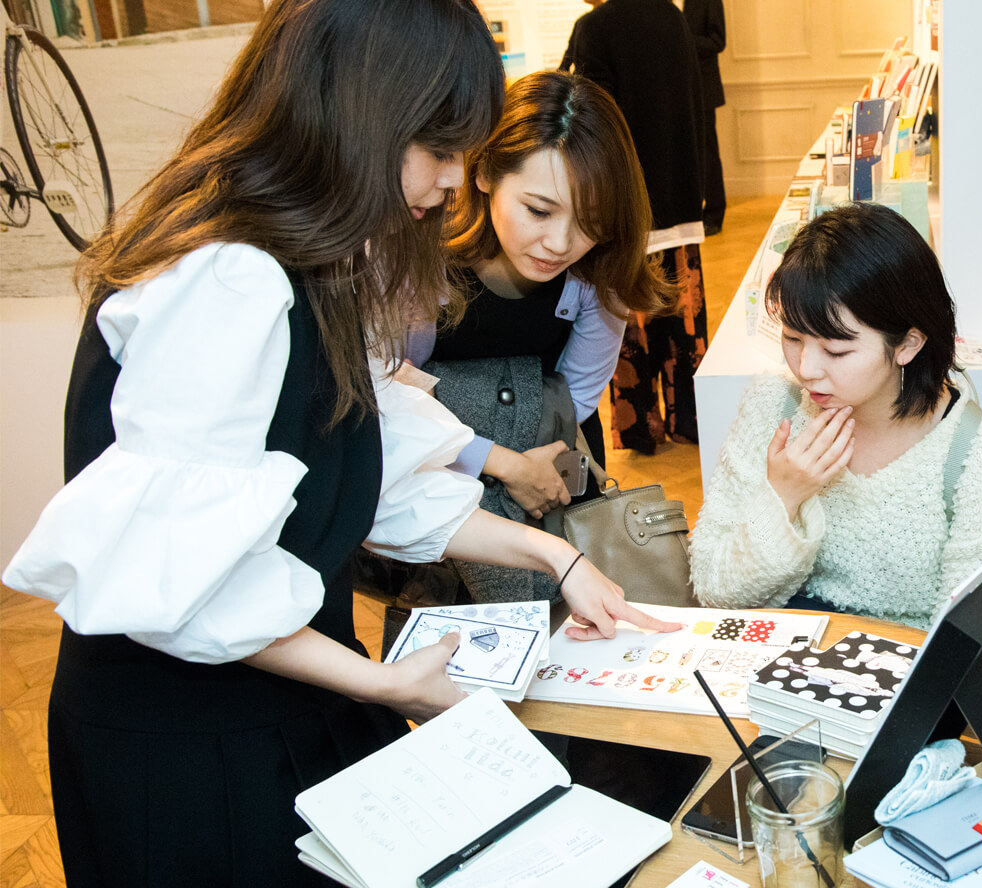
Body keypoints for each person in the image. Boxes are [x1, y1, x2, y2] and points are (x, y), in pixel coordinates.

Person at [0, 1, 677, 883]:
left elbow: (373, 470)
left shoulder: (311, 260)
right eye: (439, 151)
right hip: (195, 748)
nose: (450, 182)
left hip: (296, 696)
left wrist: (554, 556)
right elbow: (197, 589)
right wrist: (391, 688)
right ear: (361, 116)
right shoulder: (229, 276)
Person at [689, 203, 982, 628]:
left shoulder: (978, 457)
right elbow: (713, 588)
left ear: (908, 344)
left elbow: (964, 641)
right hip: (776, 665)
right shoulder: (775, 404)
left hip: (900, 679)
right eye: (792, 338)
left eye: (836, 350)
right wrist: (784, 497)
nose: (806, 368)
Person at [411, 70, 676, 515]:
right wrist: (503, 465)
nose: (559, 243)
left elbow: (576, 395)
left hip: (551, 456)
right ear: (485, 174)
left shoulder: (598, 271)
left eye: (590, 221)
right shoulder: (425, 259)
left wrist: (529, 468)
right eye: (538, 211)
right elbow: (395, 396)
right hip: (436, 469)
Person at [561, 0, 711, 454]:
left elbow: (594, 125)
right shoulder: (669, 14)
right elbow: (693, 102)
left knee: (629, 321)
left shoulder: (595, 27)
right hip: (679, 190)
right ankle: (689, 417)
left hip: (628, 200)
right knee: (684, 316)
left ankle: (641, 427)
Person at [683, 0, 728, 235]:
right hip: (677, 90)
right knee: (687, 154)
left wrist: (683, 38)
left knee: (708, 153)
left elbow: (717, 42)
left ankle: (714, 213)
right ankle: (692, 212)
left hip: (704, 89)